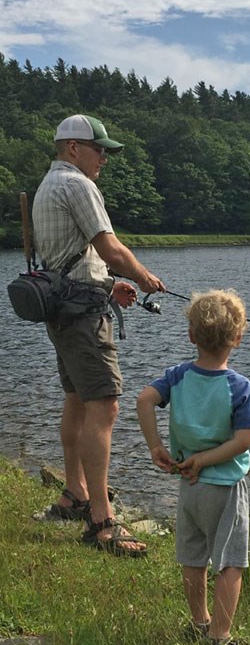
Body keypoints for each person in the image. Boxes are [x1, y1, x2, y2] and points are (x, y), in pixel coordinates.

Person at [32, 113, 166, 557]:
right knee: (105, 403)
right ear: (73, 147)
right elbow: (108, 248)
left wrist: (110, 285)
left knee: (77, 399)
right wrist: (144, 275)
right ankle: (102, 523)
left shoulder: (49, 184)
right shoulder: (77, 184)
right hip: (82, 316)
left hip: (64, 308)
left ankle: (75, 494)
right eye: (99, 150)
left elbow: (72, 258)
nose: (104, 159)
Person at [136, 289, 250, 645]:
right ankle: (220, 637)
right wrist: (208, 460)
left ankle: (198, 623)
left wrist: (155, 447)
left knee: (193, 557)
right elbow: (244, 440)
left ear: (191, 335)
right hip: (223, 488)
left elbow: (144, 400)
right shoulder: (240, 387)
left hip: (187, 485)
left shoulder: (177, 377)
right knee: (230, 561)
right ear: (237, 339)